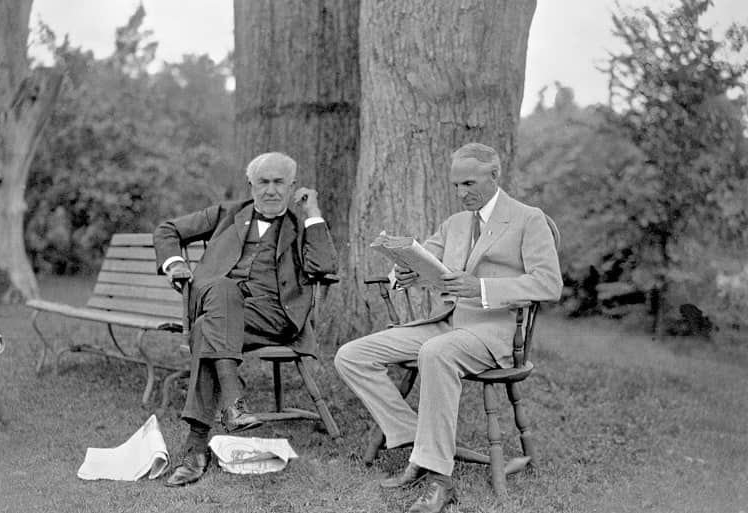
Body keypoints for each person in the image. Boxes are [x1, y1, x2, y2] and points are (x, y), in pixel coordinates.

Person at [334, 142, 562, 513]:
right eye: (456, 185)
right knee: (351, 355)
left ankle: (440, 478)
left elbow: (549, 285)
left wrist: (483, 288)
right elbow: (426, 256)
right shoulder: (456, 223)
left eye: (469, 183)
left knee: (435, 352)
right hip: (447, 325)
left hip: (493, 334)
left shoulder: (527, 219)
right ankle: (418, 440)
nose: (461, 193)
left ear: (495, 175)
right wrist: (402, 271)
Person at [154, 151, 338, 487]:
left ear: (292, 186)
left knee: (207, 322)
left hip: (273, 316)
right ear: (250, 184)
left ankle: (199, 445)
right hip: (222, 308)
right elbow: (168, 230)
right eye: (262, 182)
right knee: (218, 301)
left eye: (279, 182)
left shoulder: (299, 227)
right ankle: (227, 412)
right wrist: (174, 264)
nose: (270, 190)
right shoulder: (227, 214)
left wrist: (313, 213)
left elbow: (323, 266)